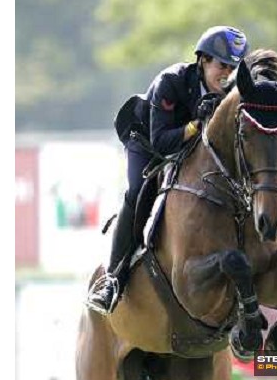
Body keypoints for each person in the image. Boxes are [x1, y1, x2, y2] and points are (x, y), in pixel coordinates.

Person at [87, 25, 250, 314]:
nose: (227, 74)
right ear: (203, 61)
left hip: (192, 149)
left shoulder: (232, 91)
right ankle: (114, 278)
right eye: (222, 66)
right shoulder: (172, 82)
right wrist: (195, 125)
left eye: (233, 68)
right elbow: (162, 142)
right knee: (138, 191)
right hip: (148, 143)